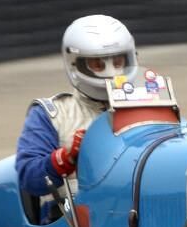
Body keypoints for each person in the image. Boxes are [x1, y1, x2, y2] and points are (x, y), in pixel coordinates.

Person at [15, 15, 137, 209]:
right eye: (98, 64)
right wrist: (67, 157)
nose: (112, 73)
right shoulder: (51, 114)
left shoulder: (146, 105)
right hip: (74, 219)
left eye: (118, 62)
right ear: (76, 64)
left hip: (137, 206)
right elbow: (29, 178)